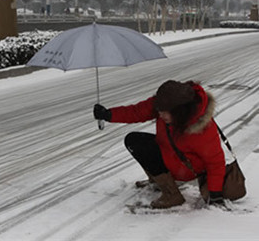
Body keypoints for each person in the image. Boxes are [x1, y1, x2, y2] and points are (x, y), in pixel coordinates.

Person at [93, 80, 226, 209]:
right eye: (159, 110)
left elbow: (215, 162)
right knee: (135, 140)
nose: (160, 115)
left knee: (148, 150)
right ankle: (158, 181)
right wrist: (108, 114)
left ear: (179, 110)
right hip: (169, 152)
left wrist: (215, 194)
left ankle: (172, 195)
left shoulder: (202, 128)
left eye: (164, 112)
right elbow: (136, 111)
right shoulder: (164, 104)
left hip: (186, 166)